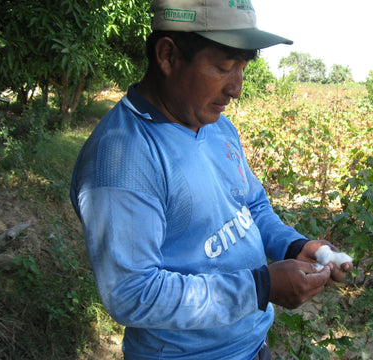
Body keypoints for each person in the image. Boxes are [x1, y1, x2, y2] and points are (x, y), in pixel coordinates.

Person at [70, 0, 352, 359]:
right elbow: (131, 293)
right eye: (223, 67)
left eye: (243, 68)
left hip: (251, 344)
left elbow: (251, 204)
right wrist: (261, 287)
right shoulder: (122, 160)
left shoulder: (217, 127)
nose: (236, 88)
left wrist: (293, 246)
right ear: (168, 56)